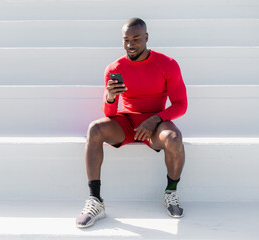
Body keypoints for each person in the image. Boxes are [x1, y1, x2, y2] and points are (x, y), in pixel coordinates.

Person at [76, 18, 188, 228]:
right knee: (95, 129)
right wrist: (110, 97)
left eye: (136, 39)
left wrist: (155, 120)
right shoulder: (114, 68)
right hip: (127, 122)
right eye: (126, 40)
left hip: (156, 124)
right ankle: (95, 201)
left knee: (174, 138)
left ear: (146, 37)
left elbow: (181, 104)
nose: (130, 44)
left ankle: (171, 192)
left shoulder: (167, 64)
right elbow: (109, 112)